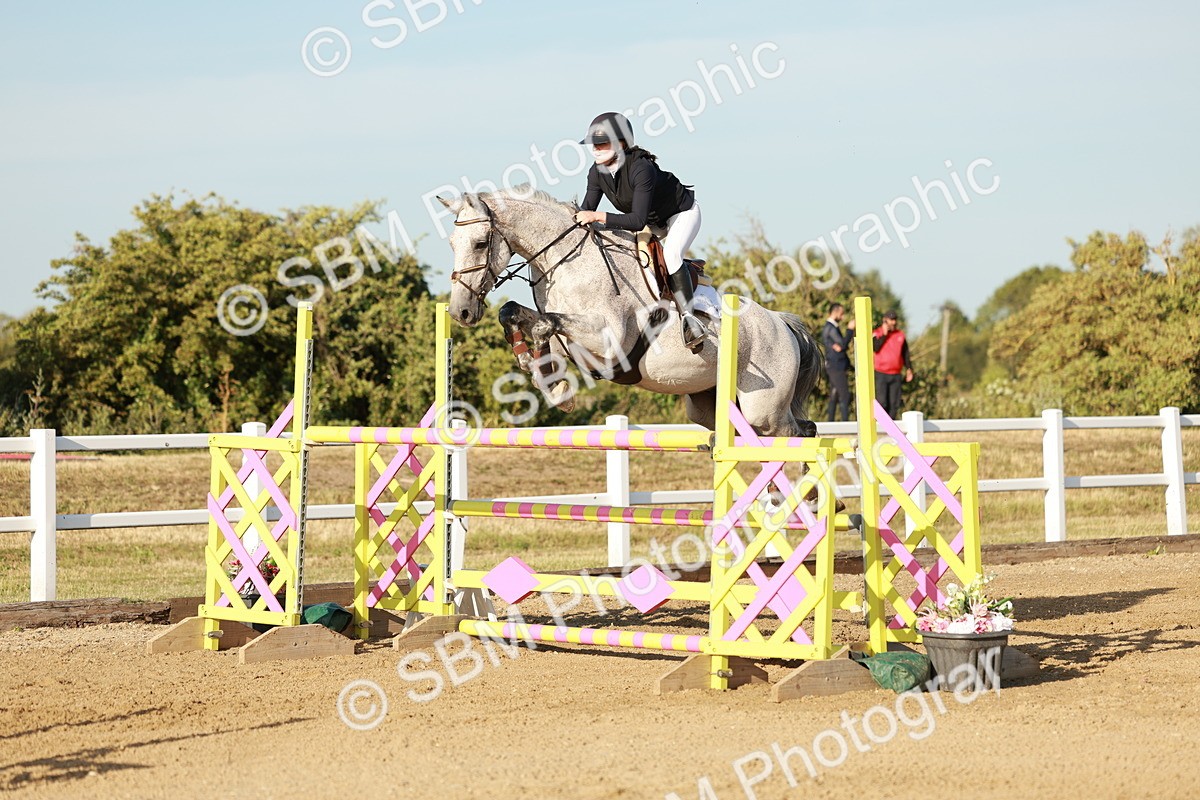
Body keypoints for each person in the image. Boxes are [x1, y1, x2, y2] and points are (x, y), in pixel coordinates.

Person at [572, 112, 705, 352]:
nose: (596, 150)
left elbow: (636, 220)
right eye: (594, 145)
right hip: (650, 223)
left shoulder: (641, 168)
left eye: (603, 144)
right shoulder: (596, 172)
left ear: (621, 143)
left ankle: (690, 320)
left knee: (672, 255)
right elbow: (587, 210)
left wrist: (598, 217)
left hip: (680, 214)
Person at [872, 309, 913, 419]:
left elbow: (905, 354)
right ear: (885, 320)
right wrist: (885, 335)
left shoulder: (900, 335)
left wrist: (909, 369)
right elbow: (875, 348)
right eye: (891, 320)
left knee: (894, 404)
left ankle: (891, 429)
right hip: (881, 373)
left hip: (896, 374)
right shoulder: (877, 333)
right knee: (882, 402)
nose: (893, 322)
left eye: (895, 319)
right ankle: (880, 425)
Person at [822, 302, 854, 421]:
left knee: (834, 395)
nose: (843, 316)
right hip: (836, 367)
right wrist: (850, 330)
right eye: (841, 313)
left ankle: (831, 422)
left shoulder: (831, 327)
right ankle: (845, 423)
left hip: (835, 366)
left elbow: (840, 346)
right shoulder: (830, 328)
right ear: (835, 312)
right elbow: (843, 344)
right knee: (844, 396)